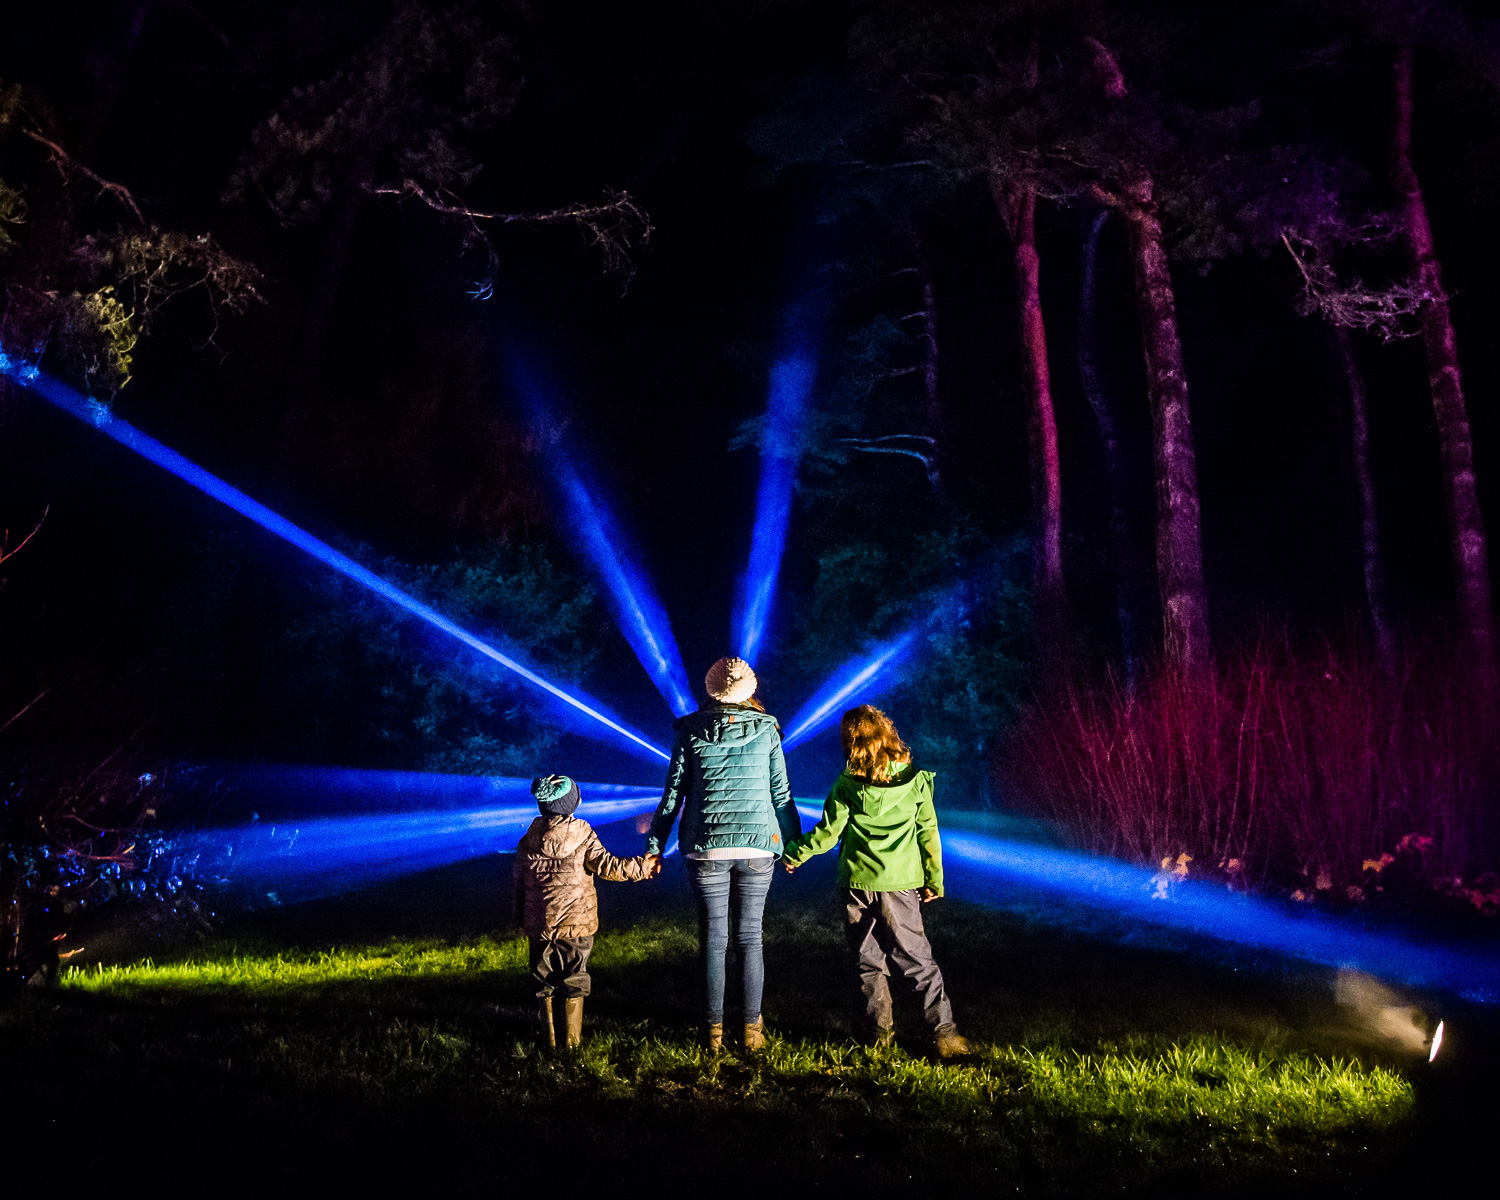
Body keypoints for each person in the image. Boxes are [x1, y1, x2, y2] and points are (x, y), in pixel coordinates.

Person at [782, 704, 969, 1058]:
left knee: (868, 959)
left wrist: (795, 854)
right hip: (901, 884)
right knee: (917, 959)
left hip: (856, 884)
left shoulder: (847, 785)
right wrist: (934, 879)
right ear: (887, 733)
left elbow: (827, 834)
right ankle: (945, 1035)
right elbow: (929, 832)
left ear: (850, 742)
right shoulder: (915, 781)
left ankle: (878, 1038)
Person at [646, 656, 801, 1053]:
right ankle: (752, 1031)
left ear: (710, 689)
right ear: (749, 691)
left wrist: (654, 847)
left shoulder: (691, 730)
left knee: (714, 941)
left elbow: (672, 797)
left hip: (706, 847)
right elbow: (781, 796)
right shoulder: (767, 731)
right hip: (757, 847)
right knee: (750, 937)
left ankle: (712, 1033)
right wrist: (795, 845)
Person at [514, 774, 660, 1049]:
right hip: (576, 925)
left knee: (543, 982)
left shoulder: (526, 841)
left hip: (540, 926)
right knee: (574, 979)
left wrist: (519, 919)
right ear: (573, 804)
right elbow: (609, 867)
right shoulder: (583, 836)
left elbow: (519, 885)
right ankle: (570, 1047)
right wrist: (644, 867)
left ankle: (549, 1043)